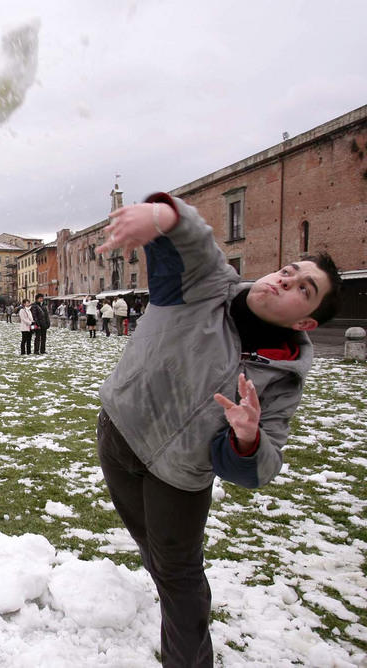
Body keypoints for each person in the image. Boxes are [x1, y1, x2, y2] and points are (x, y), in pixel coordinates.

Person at [95, 194, 341, 667]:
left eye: (303, 288)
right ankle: (164, 590)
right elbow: (192, 241)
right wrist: (162, 215)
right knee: (156, 557)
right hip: (120, 434)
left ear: (305, 320)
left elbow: (261, 468)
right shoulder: (207, 286)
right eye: (288, 269)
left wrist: (248, 439)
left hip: (179, 476)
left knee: (181, 579)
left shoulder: (282, 378)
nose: (285, 279)